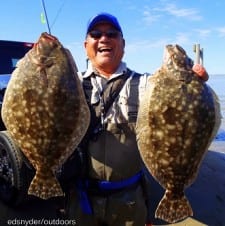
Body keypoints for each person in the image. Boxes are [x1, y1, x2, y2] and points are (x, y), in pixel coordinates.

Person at [64, 12, 208, 226]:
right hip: (81, 199)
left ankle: (174, 192)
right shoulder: (69, 84)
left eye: (112, 34)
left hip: (129, 201)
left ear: (123, 44)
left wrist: (197, 85)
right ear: (86, 45)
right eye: (96, 34)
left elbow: (187, 114)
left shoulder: (147, 84)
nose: (104, 38)